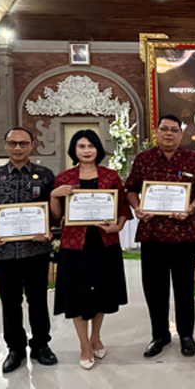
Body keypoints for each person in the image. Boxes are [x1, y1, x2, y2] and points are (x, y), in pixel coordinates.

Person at [125, 114, 195, 357]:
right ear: (157, 132)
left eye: (174, 130)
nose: (169, 134)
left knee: (184, 288)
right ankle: (159, 335)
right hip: (152, 235)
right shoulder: (143, 159)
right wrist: (137, 207)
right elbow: (130, 188)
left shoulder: (194, 160)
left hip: (184, 235)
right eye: (164, 129)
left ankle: (186, 336)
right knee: (154, 290)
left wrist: (191, 206)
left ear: (180, 134)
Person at [0, 127, 58, 373]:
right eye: (13, 143)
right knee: (10, 303)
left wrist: (50, 229)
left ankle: (41, 345)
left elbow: (55, 209)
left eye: (23, 143)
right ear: (6, 146)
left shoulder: (45, 175)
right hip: (3, 252)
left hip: (36, 250)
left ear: (32, 145)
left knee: (38, 300)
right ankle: (15, 349)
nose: (18, 148)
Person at [50, 130, 132, 369]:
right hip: (74, 245)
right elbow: (56, 217)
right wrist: (54, 195)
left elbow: (123, 209)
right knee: (77, 294)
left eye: (91, 146)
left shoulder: (110, 176)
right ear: (74, 150)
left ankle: (96, 337)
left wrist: (117, 226)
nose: (87, 150)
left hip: (104, 243)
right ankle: (84, 344)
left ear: (98, 149)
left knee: (101, 293)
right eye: (81, 146)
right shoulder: (64, 177)